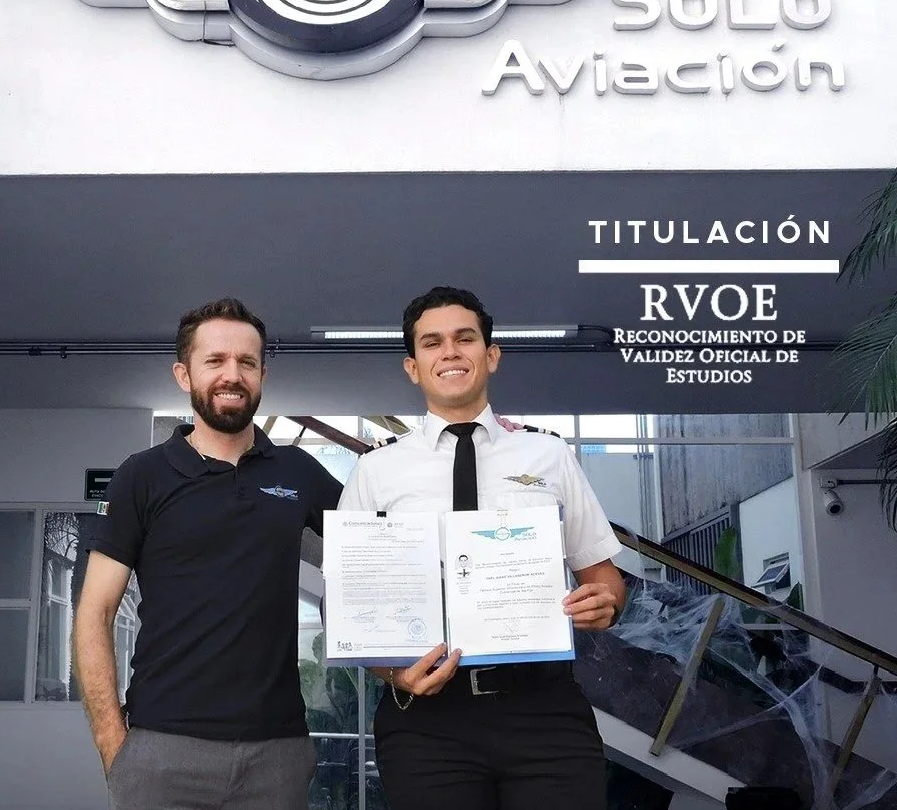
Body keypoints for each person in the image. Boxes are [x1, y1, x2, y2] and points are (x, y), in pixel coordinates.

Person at [337, 285, 626, 810]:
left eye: (464, 338)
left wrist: (604, 604)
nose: (449, 352)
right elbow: (350, 607)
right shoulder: (376, 470)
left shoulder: (547, 454)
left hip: (544, 709)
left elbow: (603, 578)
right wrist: (394, 675)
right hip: (426, 722)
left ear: (490, 356)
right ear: (412, 366)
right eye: (432, 343)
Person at [73, 297, 344, 810]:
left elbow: (384, 546)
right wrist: (115, 748)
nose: (232, 375)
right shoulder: (143, 474)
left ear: (262, 373)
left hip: (277, 752)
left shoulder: (298, 472)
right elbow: (95, 612)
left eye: (246, 362)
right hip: (162, 750)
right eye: (214, 361)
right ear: (183, 373)